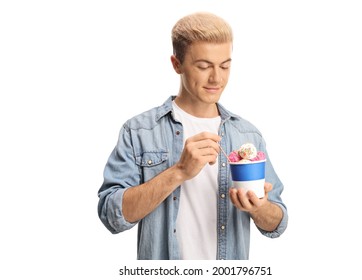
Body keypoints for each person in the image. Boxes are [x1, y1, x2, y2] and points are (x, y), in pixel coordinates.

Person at [97, 12, 288, 260]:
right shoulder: (139, 131)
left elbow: (277, 223)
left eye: (225, 66)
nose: (216, 78)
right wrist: (178, 172)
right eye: (203, 66)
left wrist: (260, 208)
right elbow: (112, 216)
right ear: (177, 64)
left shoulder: (247, 135)